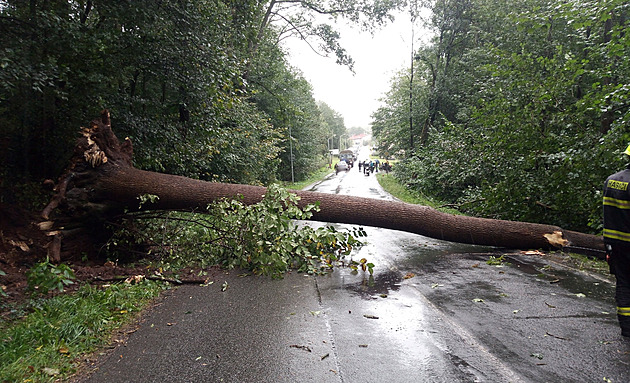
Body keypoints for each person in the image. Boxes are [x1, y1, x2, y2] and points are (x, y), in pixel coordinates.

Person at [603, 144, 630, 338]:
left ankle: (627, 327)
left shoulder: (612, 181)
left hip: (617, 245)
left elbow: (608, 215)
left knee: (624, 284)